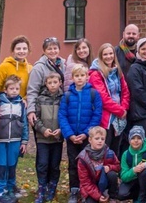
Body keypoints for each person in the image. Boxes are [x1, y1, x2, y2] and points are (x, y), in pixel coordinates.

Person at [59, 64, 103, 203]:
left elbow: (97, 115)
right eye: (76, 76)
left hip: (86, 137)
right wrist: (70, 134)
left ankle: (87, 190)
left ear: (87, 77)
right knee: (73, 163)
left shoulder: (93, 94)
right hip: (72, 137)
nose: (79, 78)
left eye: (82, 75)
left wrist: (86, 133)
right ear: (72, 78)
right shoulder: (66, 95)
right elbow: (62, 116)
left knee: (87, 164)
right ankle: (74, 190)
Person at [0, 76, 29, 203]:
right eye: (11, 88)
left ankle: (10, 188)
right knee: (1, 165)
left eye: (17, 88)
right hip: (0, 140)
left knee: (12, 165)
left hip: (15, 140)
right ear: (5, 90)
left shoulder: (21, 105)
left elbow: (25, 124)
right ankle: (0, 191)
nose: (14, 91)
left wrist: (24, 140)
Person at [88, 43, 130, 157]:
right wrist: (120, 111)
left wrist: (124, 108)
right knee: (105, 150)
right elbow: (103, 97)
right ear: (101, 56)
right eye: (105, 54)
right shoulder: (96, 74)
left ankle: (113, 173)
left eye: (111, 53)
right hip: (105, 117)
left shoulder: (117, 71)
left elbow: (125, 91)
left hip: (119, 117)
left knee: (115, 150)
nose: (108, 56)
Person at [33, 72, 64, 203]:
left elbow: (66, 116)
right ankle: (41, 188)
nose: (52, 85)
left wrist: (61, 131)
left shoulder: (64, 98)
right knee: (42, 164)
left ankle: (52, 187)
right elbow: (35, 118)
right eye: (49, 83)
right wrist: (43, 129)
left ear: (60, 83)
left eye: (55, 82)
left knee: (54, 165)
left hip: (57, 138)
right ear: (46, 84)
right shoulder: (40, 99)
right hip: (43, 138)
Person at [27, 37, 66, 126]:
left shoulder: (63, 64)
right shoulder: (38, 68)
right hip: (43, 109)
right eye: (49, 49)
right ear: (44, 51)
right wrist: (31, 111)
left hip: (58, 107)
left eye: (55, 48)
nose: (53, 51)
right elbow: (32, 91)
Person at [77, 127, 120, 203]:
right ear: (90, 140)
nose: (100, 141)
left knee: (112, 174)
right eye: (97, 139)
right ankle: (96, 196)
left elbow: (118, 167)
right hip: (91, 186)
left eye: (102, 139)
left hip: (104, 181)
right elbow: (85, 182)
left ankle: (112, 197)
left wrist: (109, 167)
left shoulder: (109, 153)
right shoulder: (83, 158)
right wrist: (98, 196)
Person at [118, 126, 146, 203]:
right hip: (132, 180)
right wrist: (134, 170)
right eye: (133, 138)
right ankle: (137, 196)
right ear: (129, 140)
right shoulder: (126, 154)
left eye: (139, 138)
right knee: (121, 195)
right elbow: (123, 176)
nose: (136, 141)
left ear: (143, 139)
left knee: (143, 172)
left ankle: (143, 198)